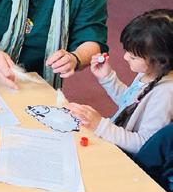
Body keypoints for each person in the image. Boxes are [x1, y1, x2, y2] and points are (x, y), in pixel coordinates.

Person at [68, 9, 173, 154]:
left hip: (129, 159)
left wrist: (101, 126)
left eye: (133, 56)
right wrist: (107, 77)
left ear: (161, 60)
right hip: (117, 141)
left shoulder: (165, 95)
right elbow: (130, 103)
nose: (125, 57)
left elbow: (145, 146)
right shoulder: (150, 72)